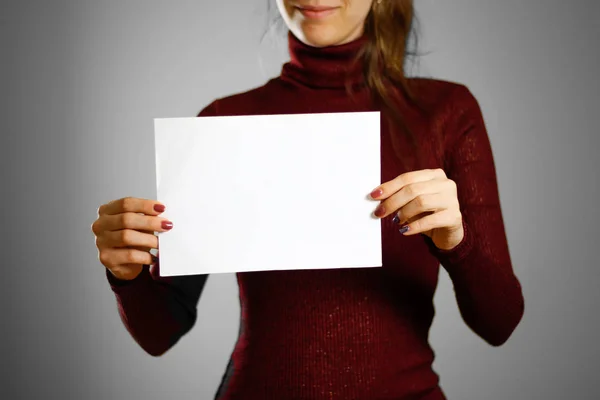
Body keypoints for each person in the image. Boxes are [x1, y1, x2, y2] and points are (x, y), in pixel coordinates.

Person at [91, 1, 525, 399]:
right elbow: (159, 333)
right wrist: (126, 274)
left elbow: (498, 323)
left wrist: (457, 241)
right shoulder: (224, 123)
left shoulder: (445, 112)